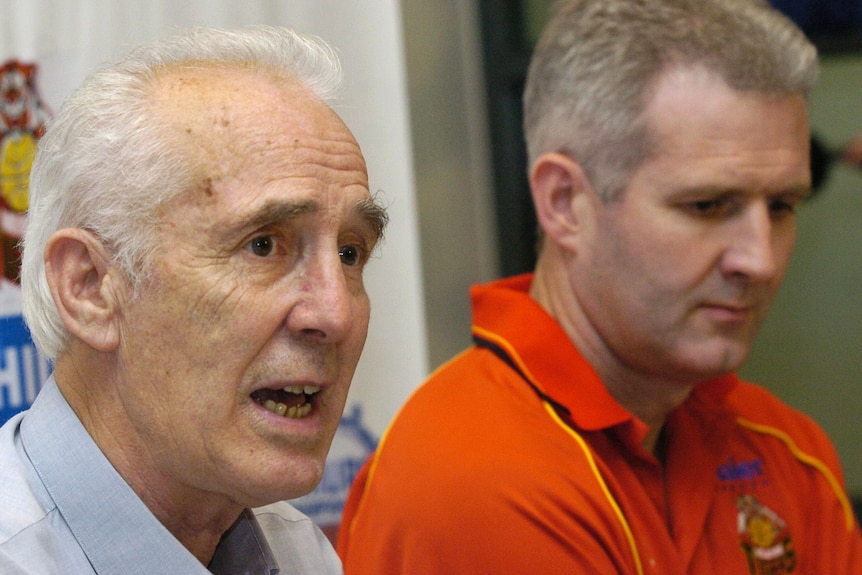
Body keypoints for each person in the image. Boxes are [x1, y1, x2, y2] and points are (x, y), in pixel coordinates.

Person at [337, 0, 862, 573]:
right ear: (565, 203)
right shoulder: (470, 473)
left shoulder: (782, 446)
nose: (759, 260)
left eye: (782, 205)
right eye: (708, 205)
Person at [0, 25, 388, 574]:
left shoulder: (298, 554)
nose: (335, 313)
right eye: (263, 246)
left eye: (351, 254)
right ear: (89, 287)